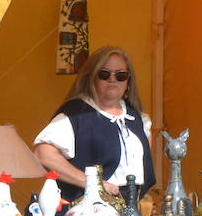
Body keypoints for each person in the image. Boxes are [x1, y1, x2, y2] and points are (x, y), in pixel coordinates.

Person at [34, 46, 156, 201]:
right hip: (89, 207)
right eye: (104, 74)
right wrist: (92, 183)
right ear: (91, 77)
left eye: (121, 75)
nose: (112, 79)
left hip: (131, 205)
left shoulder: (137, 117)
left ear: (128, 81)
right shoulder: (76, 114)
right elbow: (43, 154)